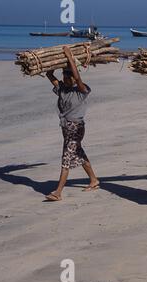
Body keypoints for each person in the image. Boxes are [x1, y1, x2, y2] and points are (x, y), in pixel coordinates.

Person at [45, 46, 99, 202]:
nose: (67, 78)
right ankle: (94, 180)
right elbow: (50, 75)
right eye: (65, 76)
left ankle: (58, 192)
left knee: (66, 158)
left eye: (70, 76)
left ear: (75, 78)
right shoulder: (62, 89)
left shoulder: (82, 90)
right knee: (79, 153)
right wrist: (55, 63)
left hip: (76, 129)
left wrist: (69, 57)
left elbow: (78, 77)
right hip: (66, 128)